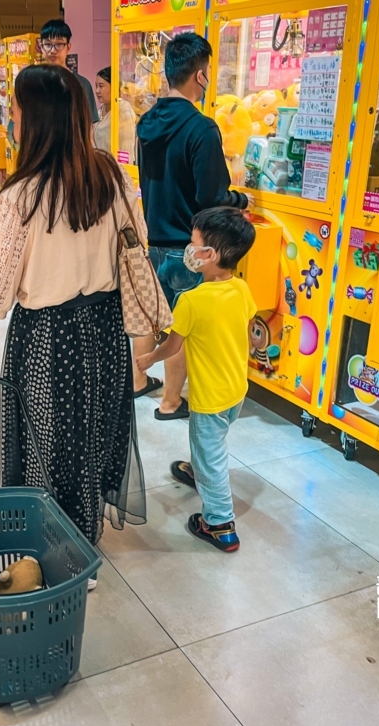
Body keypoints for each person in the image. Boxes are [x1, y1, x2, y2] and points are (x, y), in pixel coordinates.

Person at [0, 65, 146, 588]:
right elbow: (134, 253)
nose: (11, 117)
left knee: (45, 445)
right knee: (92, 435)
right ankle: (83, 541)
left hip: (47, 338)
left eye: (16, 109)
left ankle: (61, 557)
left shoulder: (21, 196)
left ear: (36, 120)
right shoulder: (110, 176)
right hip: (103, 331)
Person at [135, 32, 252, 420]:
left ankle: (140, 382)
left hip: (155, 242)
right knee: (181, 331)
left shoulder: (146, 122)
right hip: (190, 248)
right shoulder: (201, 128)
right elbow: (212, 197)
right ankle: (171, 402)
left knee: (160, 319)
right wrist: (241, 200)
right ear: (200, 76)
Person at [136, 207, 257, 552]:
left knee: (212, 454)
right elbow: (247, 333)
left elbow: (173, 346)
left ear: (211, 255)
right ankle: (196, 468)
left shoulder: (191, 300)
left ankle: (219, 525)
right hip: (236, 390)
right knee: (210, 445)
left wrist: (147, 358)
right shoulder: (242, 289)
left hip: (210, 399)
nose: (190, 249)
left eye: (194, 243)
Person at [40, 19, 98, 126]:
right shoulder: (35, 82)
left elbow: (89, 126)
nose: (53, 50)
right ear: (41, 46)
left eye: (59, 44)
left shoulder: (81, 84)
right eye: (48, 44)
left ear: (68, 47)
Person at [94, 66, 135, 158]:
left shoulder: (123, 111)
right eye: (96, 86)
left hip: (114, 169)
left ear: (114, 86)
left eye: (101, 86)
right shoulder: (100, 111)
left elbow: (126, 150)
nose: (97, 91)